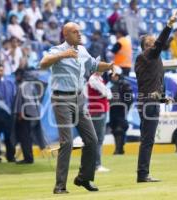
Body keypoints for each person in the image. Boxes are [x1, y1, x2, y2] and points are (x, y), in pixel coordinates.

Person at [40, 22, 117, 194]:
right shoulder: (57, 49)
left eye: (79, 32)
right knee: (66, 142)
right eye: (75, 32)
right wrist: (62, 55)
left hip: (79, 99)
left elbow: (95, 66)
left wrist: (110, 66)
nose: (79, 34)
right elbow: (43, 64)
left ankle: (83, 178)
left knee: (92, 140)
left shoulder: (82, 51)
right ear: (66, 35)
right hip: (61, 99)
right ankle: (60, 185)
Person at [134, 13, 177, 183]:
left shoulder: (153, 60)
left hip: (150, 102)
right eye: (150, 43)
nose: (154, 45)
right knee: (147, 140)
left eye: (154, 42)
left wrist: (162, 98)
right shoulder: (145, 56)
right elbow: (160, 43)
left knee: (148, 139)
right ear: (144, 47)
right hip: (148, 104)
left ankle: (142, 173)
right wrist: (169, 25)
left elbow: (151, 84)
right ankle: (142, 174)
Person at [87, 71, 112, 172]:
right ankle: (96, 164)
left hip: (99, 110)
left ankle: (95, 164)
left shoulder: (98, 79)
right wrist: (107, 92)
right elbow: (107, 93)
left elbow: (108, 93)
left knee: (97, 138)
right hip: (98, 111)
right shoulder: (94, 79)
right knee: (98, 138)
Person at [108, 67, 133, 155]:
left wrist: (125, 107)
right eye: (111, 76)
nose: (113, 77)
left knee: (120, 129)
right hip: (112, 110)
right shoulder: (109, 85)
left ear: (119, 75)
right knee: (114, 128)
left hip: (121, 110)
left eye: (115, 75)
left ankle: (118, 150)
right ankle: (120, 149)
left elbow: (129, 99)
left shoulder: (125, 84)